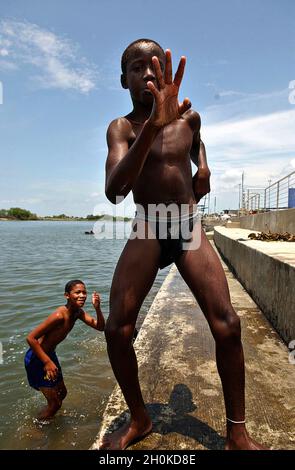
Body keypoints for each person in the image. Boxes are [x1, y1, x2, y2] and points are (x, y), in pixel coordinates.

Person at [100, 38, 265, 450]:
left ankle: (237, 433)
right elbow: (115, 191)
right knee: (118, 330)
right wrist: (152, 125)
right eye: (138, 68)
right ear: (124, 80)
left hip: (189, 225)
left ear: (166, 72)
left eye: (155, 65)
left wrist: (204, 166)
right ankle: (140, 419)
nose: (149, 72)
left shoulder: (189, 117)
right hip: (149, 227)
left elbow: (197, 143)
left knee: (228, 324)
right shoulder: (122, 128)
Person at [25, 280, 105, 420]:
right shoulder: (59, 315)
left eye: (84, 292)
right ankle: (37, 426)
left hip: (50, 355)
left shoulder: (77, 313)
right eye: (77, 292)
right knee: (55, 403)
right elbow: (31, 338)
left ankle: (47, 415)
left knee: (62, 393)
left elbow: (100, 327)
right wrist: (47, 362)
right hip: (38, 358)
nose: (82, 295)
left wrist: (97, 308)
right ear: (67, 295)